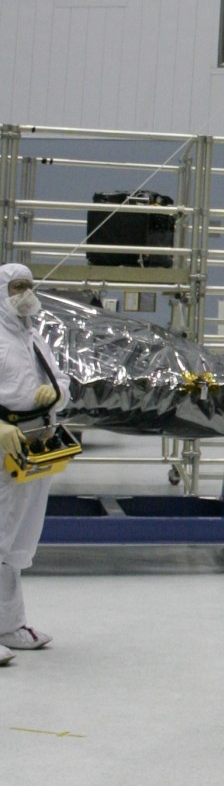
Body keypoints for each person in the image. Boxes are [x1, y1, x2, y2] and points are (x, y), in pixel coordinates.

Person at [0, 263, 67, 656]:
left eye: (29, 286)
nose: (25, 293)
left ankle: (9, 624)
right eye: (16, 287)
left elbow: (64, 384)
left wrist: (53, 395)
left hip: (33, 448)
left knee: (15, 542)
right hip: (4, 447)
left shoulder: (33, 339)